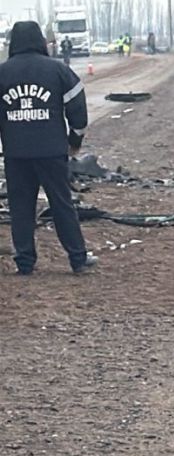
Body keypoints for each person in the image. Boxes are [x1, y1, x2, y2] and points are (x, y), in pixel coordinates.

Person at [0, 21, 95, 275]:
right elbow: (78, 106)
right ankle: (77, 259)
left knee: (20, 208)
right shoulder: (57, 70)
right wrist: (74, 141)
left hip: (16, 154)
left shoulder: (2, 73)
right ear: (41, 41)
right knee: (62, 204)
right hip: (51, 152)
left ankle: (25, 263)